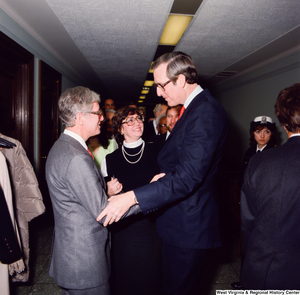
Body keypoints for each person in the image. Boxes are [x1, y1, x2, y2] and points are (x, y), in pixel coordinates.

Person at [98, 51, 228, 294]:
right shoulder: (193, 109)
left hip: (189, 227)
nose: (158, 92)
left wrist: (130, 197)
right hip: (178, 224)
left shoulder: (206, 111)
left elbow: (189, 177)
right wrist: (167, 175)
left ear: (180, 80)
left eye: (161, 85)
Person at [45, 86, 132, 295]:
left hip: (72, 257)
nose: (102, 117)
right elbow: (104, 213)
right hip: (85, 263)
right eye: (97, 112)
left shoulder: (63, 146)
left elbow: (74, 193)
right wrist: (141, 198)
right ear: (80, 118)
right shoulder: (76, 157)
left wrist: (104, 188)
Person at [240, 83, 300, 289]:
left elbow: (248, 222)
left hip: (262, 267)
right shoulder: (254, 157)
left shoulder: (260, 162)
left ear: (283, 124)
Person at [101, 106, 163, 295]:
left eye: (138, 118)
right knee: (125, 279)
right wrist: (108, 191)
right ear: (120, 129)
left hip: (153, 227)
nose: (137, 123)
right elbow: (102, 199)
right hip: (123, 231)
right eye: (130, 120)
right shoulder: (110, 159)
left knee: (152, 278)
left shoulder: (158, 151)